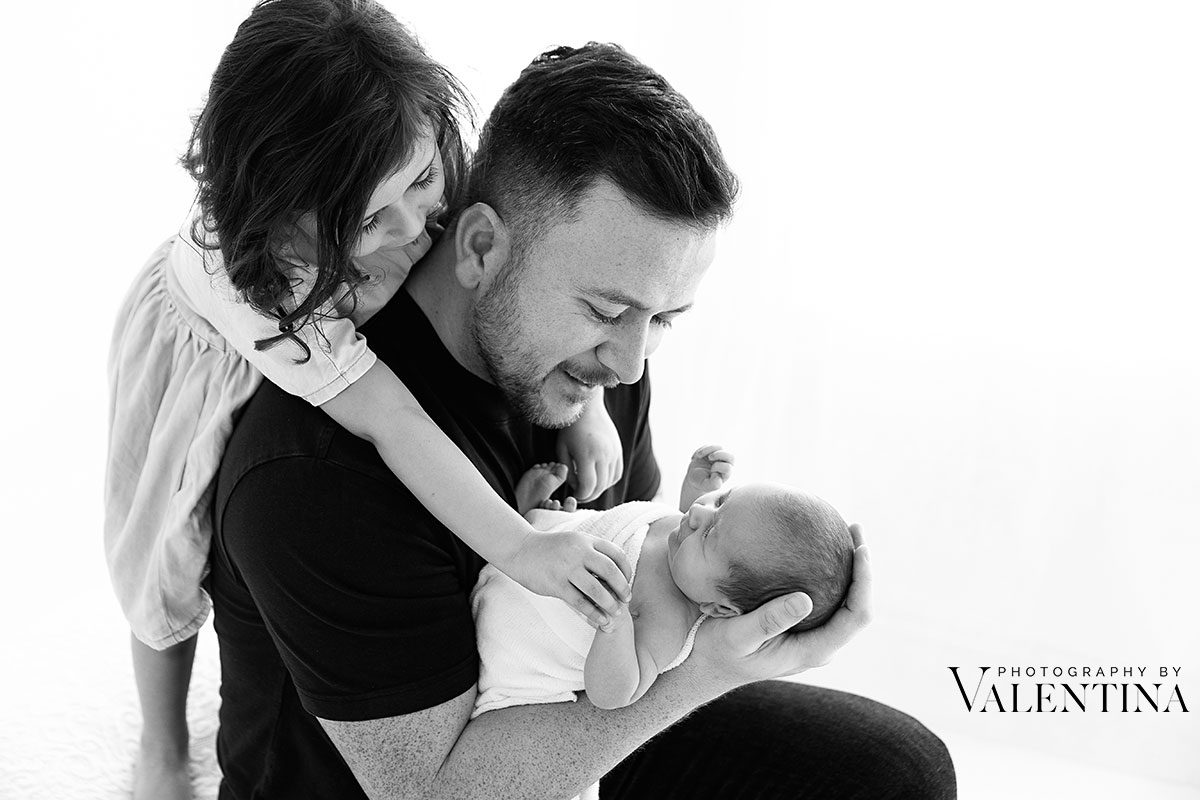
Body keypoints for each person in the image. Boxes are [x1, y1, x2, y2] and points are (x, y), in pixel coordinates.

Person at [210, 39, 956, 799]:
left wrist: (732, 633)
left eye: (664, 317)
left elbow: (647, 585)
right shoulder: (316, 470)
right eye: (607, 311)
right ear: (480, 247)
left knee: (895, 773)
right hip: (427, 778)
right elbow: (433, 789)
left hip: (574, 698)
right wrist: (710, 673)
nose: (632, 361)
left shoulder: (597, 375)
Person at [103, 3, 632, 798]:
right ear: (292, 215)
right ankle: (161, 742)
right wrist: (520, 548)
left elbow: (519, 251)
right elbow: (391, 420)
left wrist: (582, 405)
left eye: (422, 183)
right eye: (372, 219)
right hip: (204, 350)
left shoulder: (410, 144)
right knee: (162, 555)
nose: (421, 221)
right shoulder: (272, 296)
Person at [473, 445, 854, 726]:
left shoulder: (669, 620)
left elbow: (614, 694)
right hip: (534, 554)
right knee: (573, 533)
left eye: (711, 533)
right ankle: (532, 518)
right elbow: (690, 526)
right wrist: (694, 489)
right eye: (723, 500)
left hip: (515, 647)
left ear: (719, 609)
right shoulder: (689, 549)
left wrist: (614, 626)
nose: (699, 513)